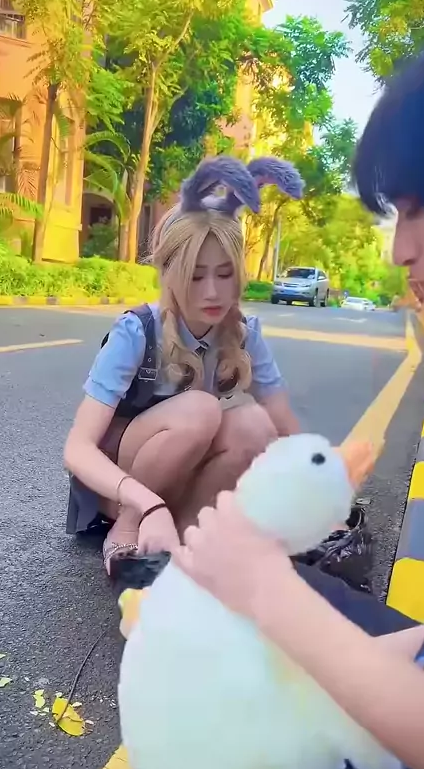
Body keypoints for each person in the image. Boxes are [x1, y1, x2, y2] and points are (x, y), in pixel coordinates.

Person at [172, 37, 424, 769]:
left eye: (418, 208)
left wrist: (267, 590)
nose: (400, 251)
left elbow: (281, 419)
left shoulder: (250, 335)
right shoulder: (139, 329)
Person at [64, 155, 301, 579]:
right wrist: (145, 504)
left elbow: (287, 431)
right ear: (169, 272)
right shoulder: (137, 330)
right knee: (201, 409)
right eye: (195, 276)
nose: (212, 292)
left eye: (224, 274)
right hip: (121, 489)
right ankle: (129, 528)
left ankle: (186, 537)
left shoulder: (245, 333)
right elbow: (77, 449)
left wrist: (328, 507)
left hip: (184, 485)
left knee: (256, 424)